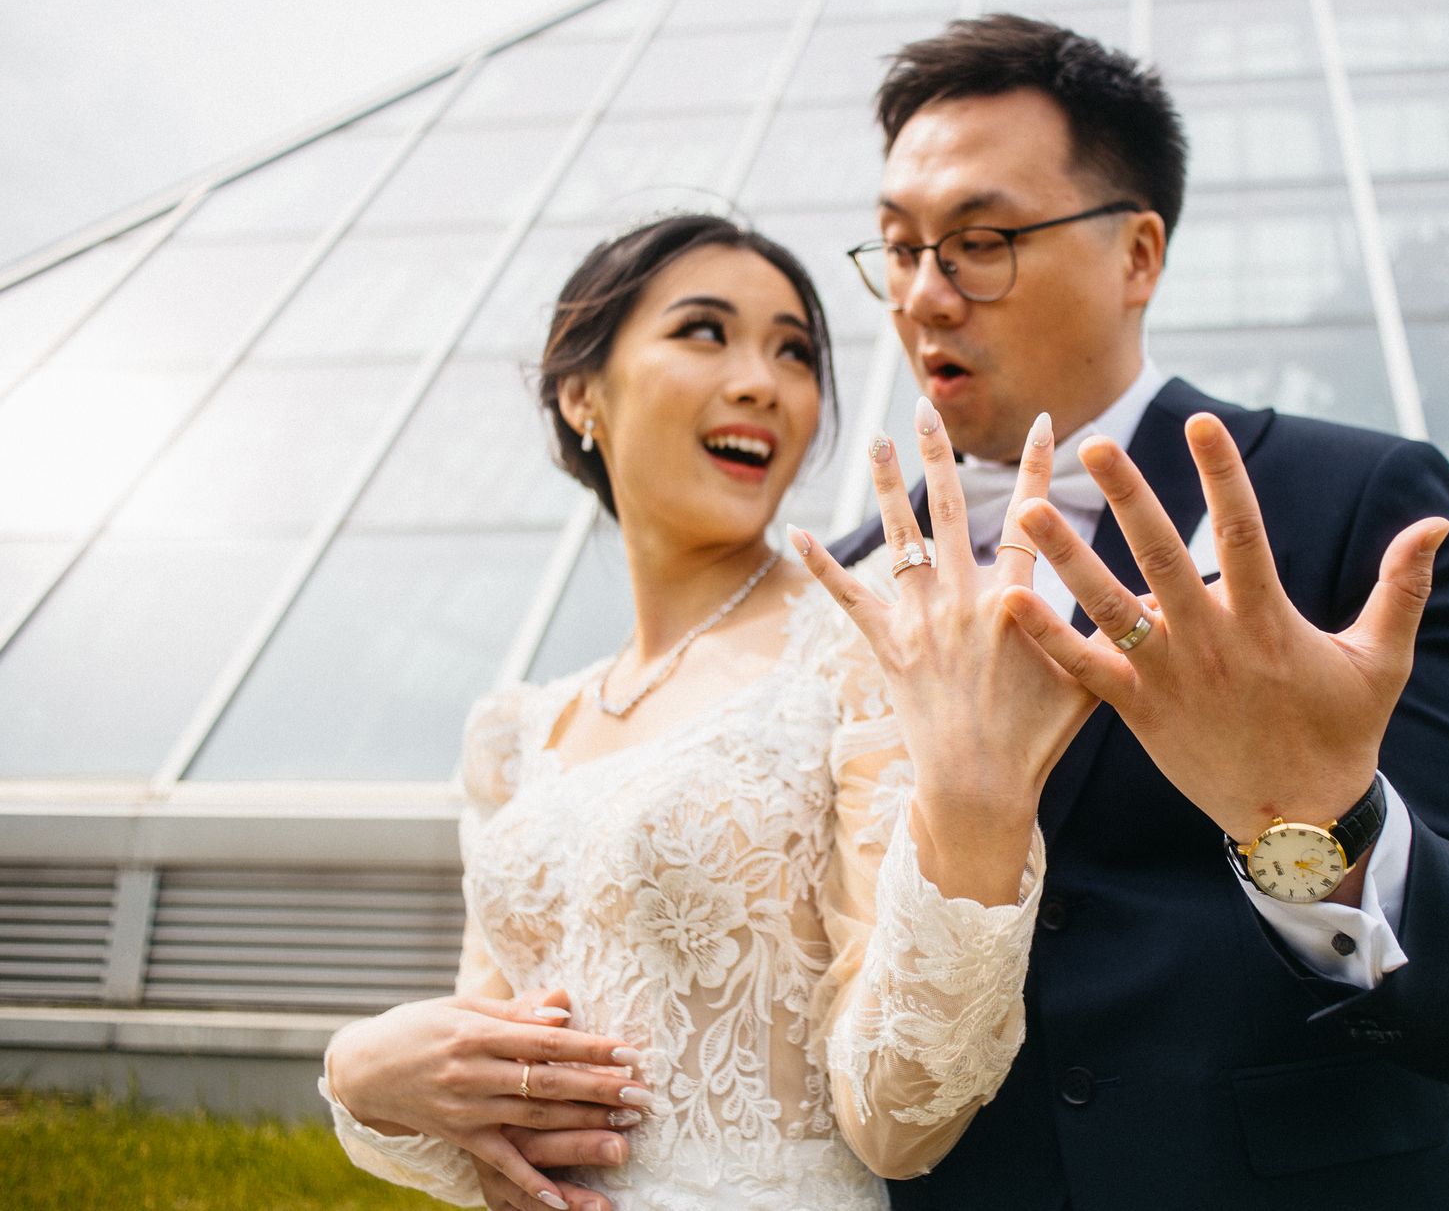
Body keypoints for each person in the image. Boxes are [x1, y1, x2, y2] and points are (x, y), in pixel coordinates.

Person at [510, 14, 1449, 1209]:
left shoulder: (1343, 502)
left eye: (978, 242)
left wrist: (1319, 827)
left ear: (1138, 254)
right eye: (897, 250)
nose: (923, 298)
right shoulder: (851, 583)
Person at [317, 213, 1097, 1211]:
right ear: (580, 393)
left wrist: (981, 812)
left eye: (794, 351)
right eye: (704, 332)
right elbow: (490, 1088)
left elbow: (902, 1116)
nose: (761, 382)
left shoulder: (867, 649)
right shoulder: (514, 733)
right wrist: (360, 1070)